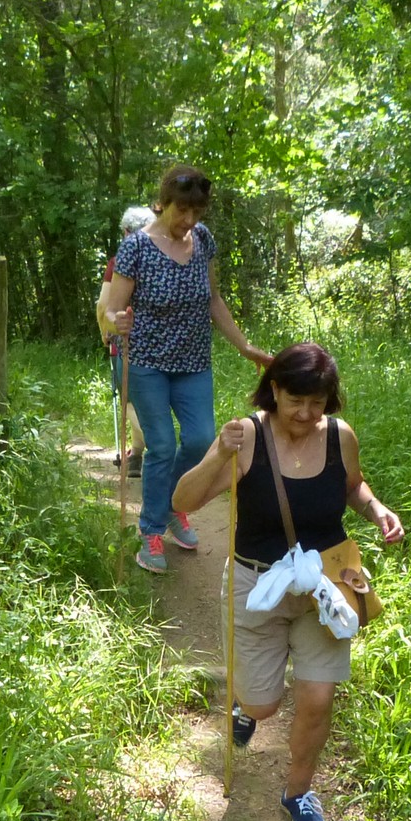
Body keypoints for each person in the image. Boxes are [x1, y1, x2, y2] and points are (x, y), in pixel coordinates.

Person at [172, 342, 403, 821]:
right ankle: (246, 707)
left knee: (318, 698)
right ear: (273, 390)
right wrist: (219, 452)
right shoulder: (248, 438)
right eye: (296, 400)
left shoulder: (340, 437)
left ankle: (298, 792)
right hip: (257, 584)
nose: (306, 413)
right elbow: (183, 500)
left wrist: (377, 509)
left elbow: (353, 486)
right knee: (263, 706)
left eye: (317, 402)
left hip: (326, 587)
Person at [101, 164, 271, 574]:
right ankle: (151, 530)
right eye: (182, 211)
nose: (189, 220)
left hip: (193, 363)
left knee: (199, 440)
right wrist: (115, 321)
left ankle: (173, 505)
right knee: (160, 445)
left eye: (197, 212)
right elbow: (110, 308)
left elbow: (213, 299)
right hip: (146, 363)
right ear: (163, 204)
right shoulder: (136, 248)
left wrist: (245, 345)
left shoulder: (203, 240)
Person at [96, 205, 152, 476]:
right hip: (162, 346)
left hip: (126, 342)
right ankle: (138, 455)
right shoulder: (168, 257)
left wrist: (106, 331)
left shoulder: (118, 262)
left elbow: (103, 304)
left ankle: (153, 450)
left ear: (127, 232)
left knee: (130, 401)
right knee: (146, 402)